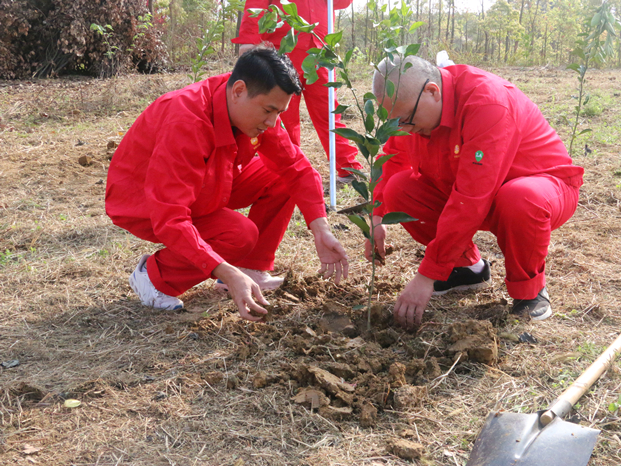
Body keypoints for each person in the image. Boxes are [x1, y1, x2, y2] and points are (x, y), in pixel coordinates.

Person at [106, 46, 349, 321]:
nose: (272, 123)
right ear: (238, 91)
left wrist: (320, 229)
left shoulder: (248, 104)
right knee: (237, 234)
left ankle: (252, 268)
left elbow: (296, 168)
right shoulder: (186, 122)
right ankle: (154, 276)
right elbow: (170, 216)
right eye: (269, 111)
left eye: (279, 113)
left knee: (281, 178)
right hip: (145, 199)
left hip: (211, 177)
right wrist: (225, 270)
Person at [368, 55, 584, 330]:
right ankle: (466, 269)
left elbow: (472, 197)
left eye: (406, 121)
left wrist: (427, 275)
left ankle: (529, 291)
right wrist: (376, 216)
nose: (402, 129)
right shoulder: (410, 111)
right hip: (469, 191)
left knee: (519, 198)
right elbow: (392, 160)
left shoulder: (487, 103)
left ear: (432, 91)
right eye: (394, 122)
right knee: (400, 189)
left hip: (540, 189)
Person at [232, 0, 364, 182]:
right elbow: (256, 3)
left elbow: (341, 3)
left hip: (319, 51)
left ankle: (348, 167)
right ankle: (289, 170)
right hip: (281, 51)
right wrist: (248, 39)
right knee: (283, 118)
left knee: (330, 113)